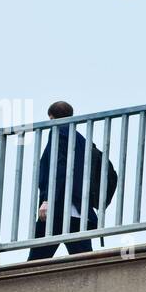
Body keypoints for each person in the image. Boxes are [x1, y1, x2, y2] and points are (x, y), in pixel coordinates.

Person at [27, 101, 102, 261]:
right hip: (80, 211)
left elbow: (57, 168)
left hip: (58, 208)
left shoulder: (58, 131)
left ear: (52, 118)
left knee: (35, 262)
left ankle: (19, 285)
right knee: (85, 261)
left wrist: (47, 199)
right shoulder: (82, 140)